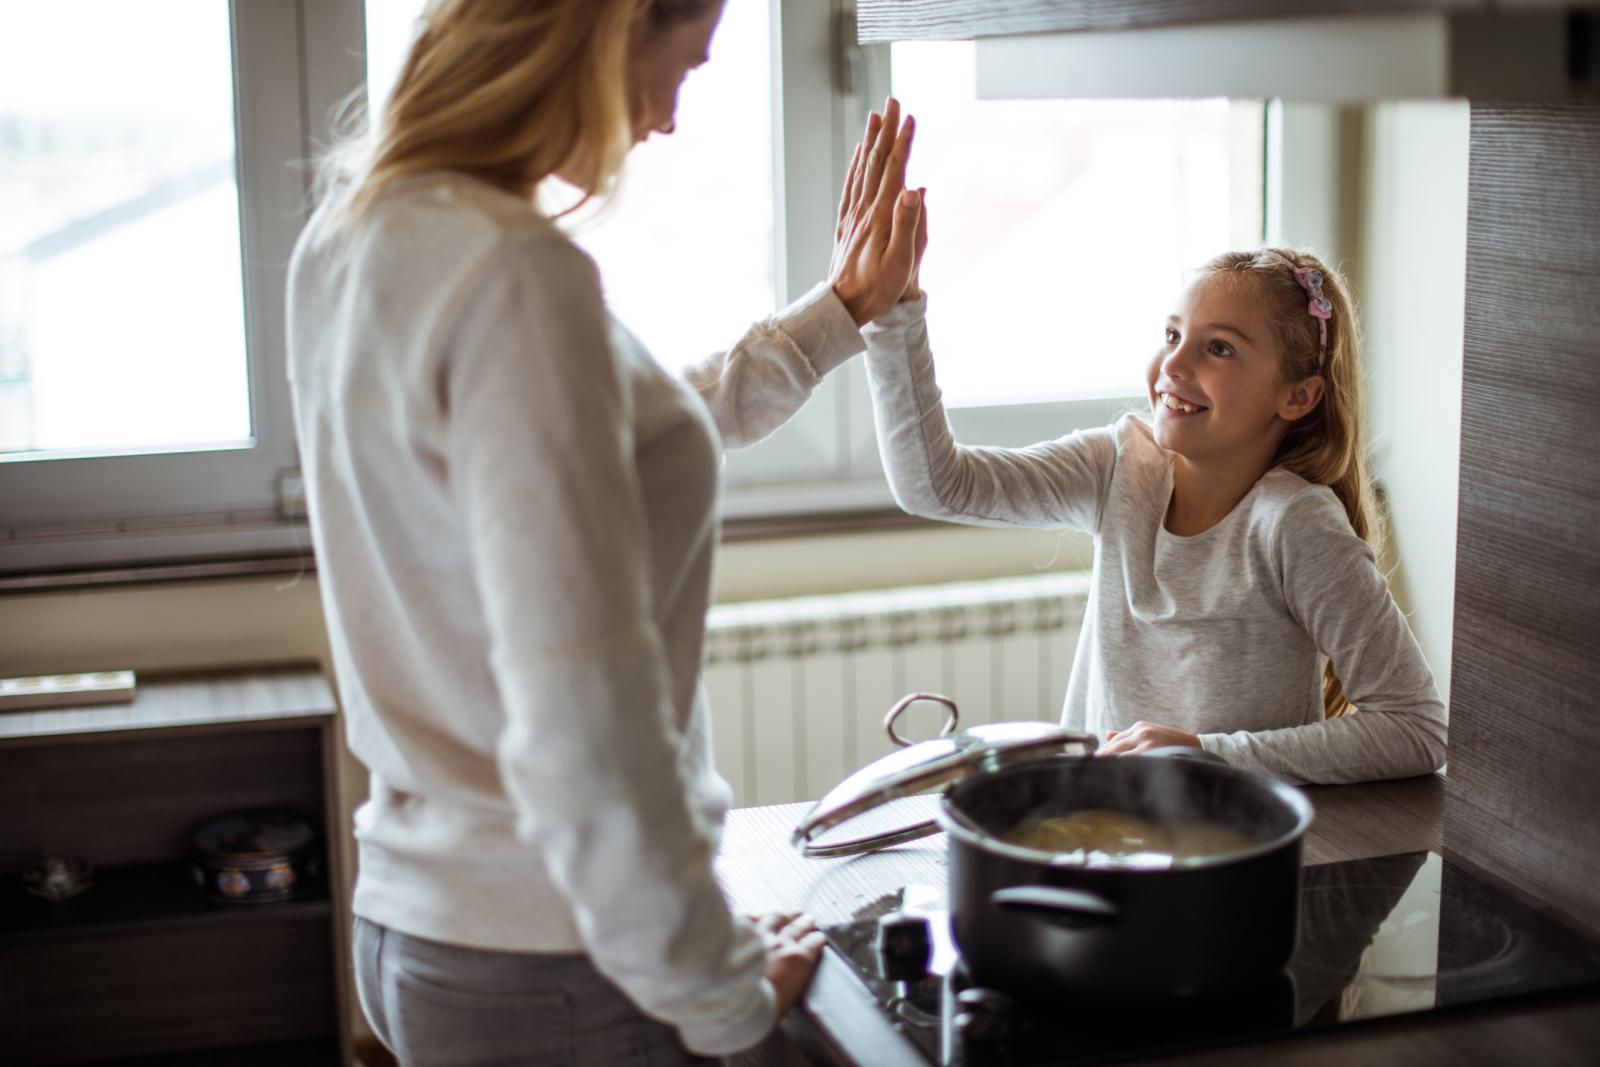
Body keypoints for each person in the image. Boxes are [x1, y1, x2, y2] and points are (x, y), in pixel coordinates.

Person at [284, 0, 922, 1061]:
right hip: (558, 964)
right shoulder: (513, 275)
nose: (669, 117)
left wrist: (834, 316)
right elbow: (583, 724)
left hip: (420, 928)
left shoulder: (353, 233)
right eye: (687, 61)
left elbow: (606, 444)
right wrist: (717, 984)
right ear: (613, 23)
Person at [855, 204, 1448, 784]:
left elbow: (1417, 729)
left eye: (1219, 348)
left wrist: (1208, 754)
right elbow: (936, 486)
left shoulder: (1295, 524)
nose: (1173, 364)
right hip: (1103, 836)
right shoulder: (1119, 465)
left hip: (1230, 854)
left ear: (1297, 397)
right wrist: (894, 316)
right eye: (1172, 334)